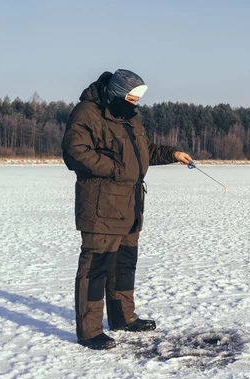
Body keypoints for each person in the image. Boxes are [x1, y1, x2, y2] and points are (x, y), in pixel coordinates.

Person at [62, 69, 192, 350]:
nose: (134, 104)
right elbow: (74, 152)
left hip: (130, 205)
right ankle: (89, 330)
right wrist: (115, 168)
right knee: (95, 269)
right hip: (101, 205)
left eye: (136, 99)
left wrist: (172, 154)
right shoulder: (87, 113)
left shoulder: (128, 115)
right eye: (130, 97)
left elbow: (142, 151)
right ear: (115, 93)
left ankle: (122, 317)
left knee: (124, 265)